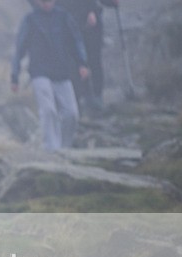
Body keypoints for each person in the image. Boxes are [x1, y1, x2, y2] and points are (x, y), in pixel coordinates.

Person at [11, 0, 90, 151]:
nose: (46, 3)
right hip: (39, 72)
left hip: (62, 72)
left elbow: (76, 40)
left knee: (72, 114)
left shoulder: (64, 17)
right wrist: (14, 76)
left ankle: (64, 147)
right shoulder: (30, 20)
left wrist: (82, 63)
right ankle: (51, 148)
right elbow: (19, 48)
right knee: (48, 110)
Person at [58, 0, 119, 113]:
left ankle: (96, 97)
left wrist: (108, 3)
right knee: (74, 63)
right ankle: (81, 99)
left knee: (93, 59)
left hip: (88, 22)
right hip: (65, 20)